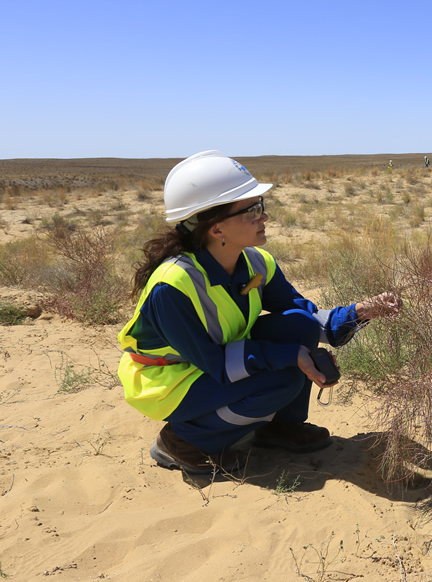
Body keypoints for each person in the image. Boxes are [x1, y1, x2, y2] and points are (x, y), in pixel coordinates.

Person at [118, 150, 402, 475]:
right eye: (251, 211)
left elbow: (305, 317)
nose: (263, 217)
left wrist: (360, 312)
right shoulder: (173, 287)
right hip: (168, 379)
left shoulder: (255, 262)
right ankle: (184, 441)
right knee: (283, 378)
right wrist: (292, 356)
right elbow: (218, 366)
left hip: (213, 363)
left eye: (260, 207)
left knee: (299, 329)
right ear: (216, 229)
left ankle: (279, 428)